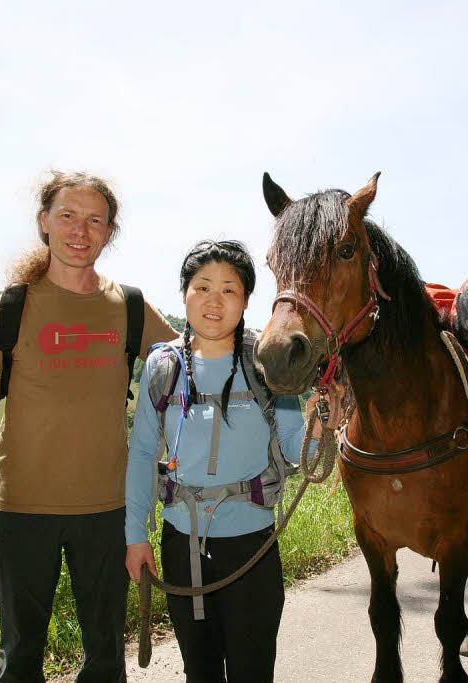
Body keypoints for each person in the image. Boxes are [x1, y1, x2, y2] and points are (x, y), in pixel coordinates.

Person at [0, 171, 177, 682]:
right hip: (18, 512)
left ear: (109, 232)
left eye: (95, 220)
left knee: (105, 659)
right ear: (44, 224)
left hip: (108, 511)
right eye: (68, 216)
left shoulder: (132, 308)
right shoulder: (8, 310)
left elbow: (193, 361)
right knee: (20, 658)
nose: (81, 230)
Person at [125, 240, 336, 683]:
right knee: (199, 671)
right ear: (184, 293)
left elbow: (302, 451)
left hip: (252, 548)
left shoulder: (265, 363)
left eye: (229, 290)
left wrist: (324, 425)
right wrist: (135, 537)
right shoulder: (164, 365)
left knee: (252, 670)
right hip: (180, 542)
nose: (214, 301)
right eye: (202, 287)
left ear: (245, 301)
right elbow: (144, 452)